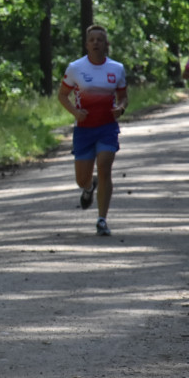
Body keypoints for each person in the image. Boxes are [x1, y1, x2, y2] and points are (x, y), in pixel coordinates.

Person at [57, 24, 128, 236]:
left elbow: (123, 96)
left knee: (105, 166)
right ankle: (89, 187)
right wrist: (75, 113)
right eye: (92, 40)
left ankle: (102, 220)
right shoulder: (75, 68)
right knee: (81, 179)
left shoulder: (116, 69)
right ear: (87, 44)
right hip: (84, 129)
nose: (96, 43)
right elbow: (62, 95)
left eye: (100, 39)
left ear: (106, 44)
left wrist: (121, 108)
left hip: (107, 127)